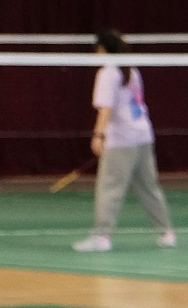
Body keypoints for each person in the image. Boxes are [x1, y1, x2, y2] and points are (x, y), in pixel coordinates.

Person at [73, 29, 177, 252]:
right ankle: (167, 232)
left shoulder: (108, 73)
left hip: (122, 139)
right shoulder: (131, 69)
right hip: (143, 135)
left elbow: (106, 108)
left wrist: (98, 135)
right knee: (149, 187)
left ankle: (101, 237)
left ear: (102, 48)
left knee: (109, 187)